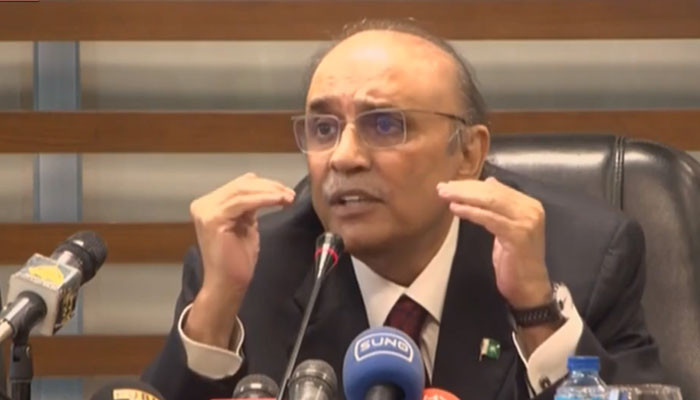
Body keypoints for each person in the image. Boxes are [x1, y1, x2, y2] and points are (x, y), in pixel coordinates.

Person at [143, 20, 663, 400]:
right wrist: (216, 309)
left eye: (385, 125)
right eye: (323, 128)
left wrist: (535, 312)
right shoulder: (253, 269)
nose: (344, 157)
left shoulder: (582, 257)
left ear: (468, 154)